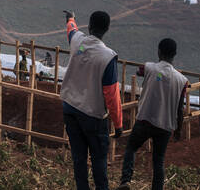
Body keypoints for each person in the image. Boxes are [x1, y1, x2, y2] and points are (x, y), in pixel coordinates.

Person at [60, 10, 123, 190]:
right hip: (92, 115)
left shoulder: (77, 40)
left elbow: (71, 29)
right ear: (107, 29)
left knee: (79, 157)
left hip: (70, 108)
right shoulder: (108, 56)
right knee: (98, 158)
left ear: (89, 25)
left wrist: (70, 18)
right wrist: (118, 124)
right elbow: (111, 95)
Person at [117, 39, 189, 190]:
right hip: (165, 126)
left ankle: (126, 181)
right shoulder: (182, 80)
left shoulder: (149, 68)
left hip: (145, 119)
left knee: (131, 148)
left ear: (159, 52)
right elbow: (179, 109)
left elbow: (139, 71)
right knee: (159, 160)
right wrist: (178, 129)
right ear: (174, 54)